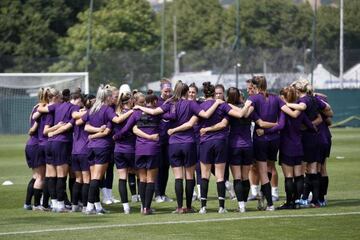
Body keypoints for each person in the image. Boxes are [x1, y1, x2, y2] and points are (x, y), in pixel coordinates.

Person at [245, 76, 301, 211]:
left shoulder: (253, 99)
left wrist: (264, 131)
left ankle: (269, 204)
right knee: (270, 168)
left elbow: (260, 123)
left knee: (263, 172)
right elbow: (289, 117)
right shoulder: (276, 98)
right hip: (275, 140)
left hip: (261, 140)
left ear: (254, 86)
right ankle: (266, 196)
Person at [257, 86, 316, 209]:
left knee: (289, 177)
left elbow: (281, 125)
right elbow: (310, 125)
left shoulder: (284, 109)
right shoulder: (299, 111)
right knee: (299, 176)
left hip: (286, 145)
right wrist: (310, 129)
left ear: (283, 97)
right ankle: (297, 202)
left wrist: (265, 132)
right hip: (299, 145)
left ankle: (289, 203)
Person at [116, 93, 162, 215]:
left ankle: (143, 207)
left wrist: (116, 136)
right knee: (151, 179)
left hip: (139, 150)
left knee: (142, 179)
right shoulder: (156, 113)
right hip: (153, 149)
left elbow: (126, 129)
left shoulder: (135, 113)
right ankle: (147, 208)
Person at [24, 88, 45, 210]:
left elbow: (30, 125)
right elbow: (32, 129)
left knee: (36, 176)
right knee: (41, 177)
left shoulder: (34, 107)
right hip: (37, 145)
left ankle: (27, 203)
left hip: (30, 144)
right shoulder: (42, 109)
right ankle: (37, 204)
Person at [154, 78, 173, 203]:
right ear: (161, 90)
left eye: (169, 91)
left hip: (170, 140)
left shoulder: (173, 102)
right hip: (158, 139)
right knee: (157, 167)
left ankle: (163, 193)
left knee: (166, 167)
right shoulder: (157, 102)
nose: (168, 93)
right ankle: (157, 194)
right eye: (166, 91)